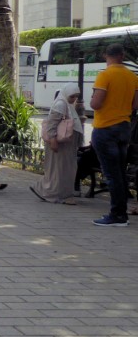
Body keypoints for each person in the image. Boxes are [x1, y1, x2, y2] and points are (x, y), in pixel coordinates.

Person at [89, 43, 138, 226]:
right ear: (122, 55)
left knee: (112, 174)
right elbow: (135, 105)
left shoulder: (105, 75)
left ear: (105, 55)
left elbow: (96, 104)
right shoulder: (132, 76)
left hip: (105, 128)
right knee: (119, 171)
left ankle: (117, 215)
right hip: (124, 128)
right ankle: (121, 212)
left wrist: (94, 97)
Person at [31, 84, 84, 204]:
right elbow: (52, 124)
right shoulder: (61, 104)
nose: (74, 99)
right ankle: (57, 195)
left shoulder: (67, 104)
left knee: (64, 169)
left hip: (66, 145)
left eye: (76, 96)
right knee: (60, 169)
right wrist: (53, 140)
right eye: (72, 96)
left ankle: (52, 192)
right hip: (60, 144)